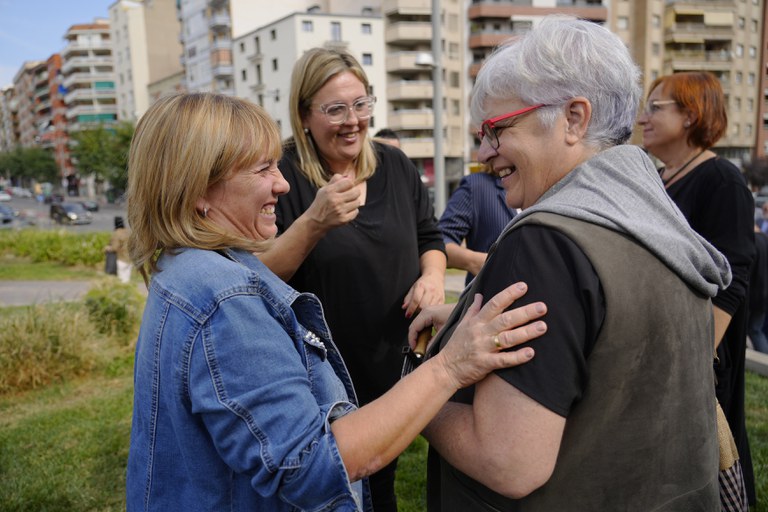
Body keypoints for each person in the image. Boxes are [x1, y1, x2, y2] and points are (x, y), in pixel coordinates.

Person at [124, 93, 548, 511]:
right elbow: (309, 466)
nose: (283, 183)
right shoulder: (225, 298)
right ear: (199, 189)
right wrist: (450, 366)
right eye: (262, 168)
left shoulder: (184, 269)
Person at [409, 16, 731, 510]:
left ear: (574, 119)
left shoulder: (545, 242)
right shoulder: (658, 219)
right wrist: (461, 321)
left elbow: (507, 462)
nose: (482, 153)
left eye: (496, 129)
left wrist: (419, 387)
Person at [258, 48, 447, 511]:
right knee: (328, 489)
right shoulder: (281, 177)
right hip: (321, 376)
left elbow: (430, 236)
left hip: (392, 360)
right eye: (335, 109)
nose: (353, 121)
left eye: (361, 105)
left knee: (380, 485)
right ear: (304, 115)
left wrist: (433, 276)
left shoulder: (396, 166)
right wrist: (314, 222)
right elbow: (258, 275)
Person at [638, 70, 756, 505]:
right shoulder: (660, 178)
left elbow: (734, 272)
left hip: (701, 357)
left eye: (655, 107)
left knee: (707, 464)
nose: (642, 118)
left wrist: (702, 349)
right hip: (666, 346)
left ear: (690, 115)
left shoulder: (721, 179)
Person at [438, 168, 517, 285]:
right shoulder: (475, 186)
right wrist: (477, 261)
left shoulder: (548, 187)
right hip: (489, 296)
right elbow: (438, 243)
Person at [749, 224, 768, 353]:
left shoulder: (752, 242)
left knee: (755, 331)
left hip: (753, 297)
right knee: (756, 329)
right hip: (764, 296)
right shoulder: (764, 239)